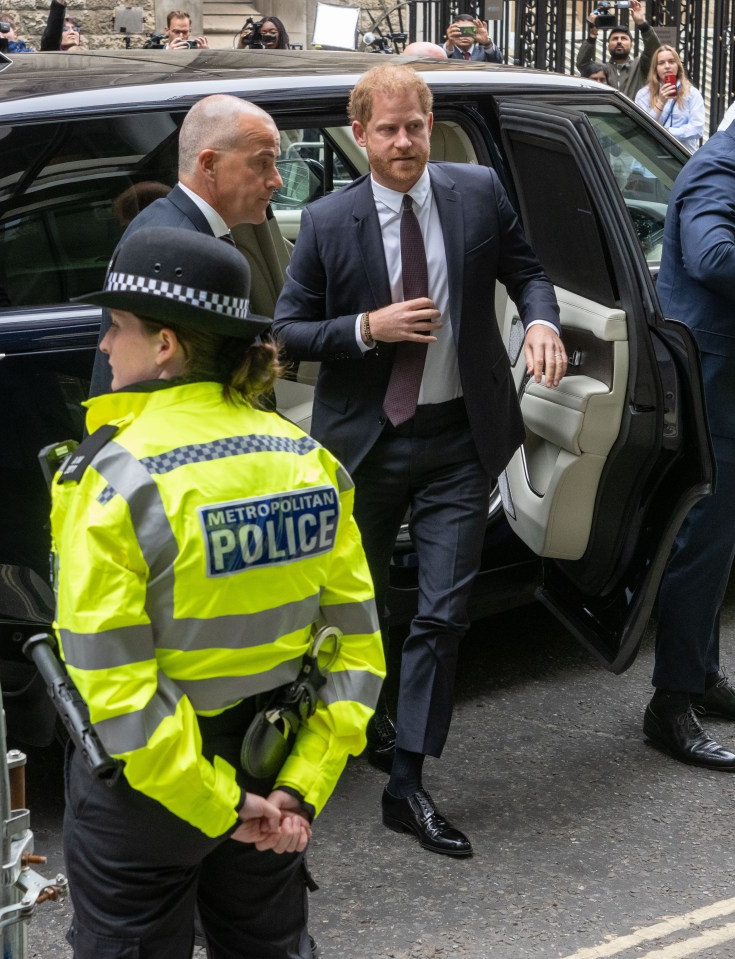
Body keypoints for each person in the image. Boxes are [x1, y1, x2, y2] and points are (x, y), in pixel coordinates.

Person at [55, 226, 384, 956]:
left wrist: (219, 803)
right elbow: (357, 654)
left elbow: (117, 688)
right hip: (273, 762)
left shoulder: (113, 478)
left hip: (149, 795)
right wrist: (295, 790)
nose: (106, 346)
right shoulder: (310, 462)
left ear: (165, 345)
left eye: (117, 327)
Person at [272, 64, 563, 857]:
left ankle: (407, 782)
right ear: (359, 134)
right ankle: (337, 740)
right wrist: (366, 327)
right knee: (350, 613)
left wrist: (542, 324)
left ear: (430, 125)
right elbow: (286, 331)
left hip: (458, 442)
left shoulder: (475, 193)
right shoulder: (329, 221)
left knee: (442, 609)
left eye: (416, 126)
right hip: (363, 445)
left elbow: (527, 273)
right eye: (388, 129)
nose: (404, 142)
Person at [643, 123, 735, 771]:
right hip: (709, 383)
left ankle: (700, 673)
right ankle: (669, 702)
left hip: (722, 379)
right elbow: (710, 257)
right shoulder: (716, 169)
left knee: (718, 534)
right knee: (699, 537)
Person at [89, 94, 283, 397]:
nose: (276, 180)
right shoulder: (175, 252)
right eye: (262, 162)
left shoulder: (174, 228)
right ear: (209, 164)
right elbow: (153, 383)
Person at [576, 0, 659, 97]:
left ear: (631, 45)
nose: (619, 41)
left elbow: (654, 50)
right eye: (615, 39)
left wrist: (643, 24)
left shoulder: (640, 66)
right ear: (608, 45)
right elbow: (582, 64)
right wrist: (592, 34)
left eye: (623, 39)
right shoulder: (602, 69)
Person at [634, 45, 705, 152]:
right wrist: (661, 102)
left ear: (678, 66)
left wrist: (667, 132)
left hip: (682, 155)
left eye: (671, 62)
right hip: (653, 156)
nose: (667, 66)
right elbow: (643, 128)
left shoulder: (692, 93)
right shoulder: (643, 94)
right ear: (655, 68)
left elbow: (697, 128)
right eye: (661, 63)